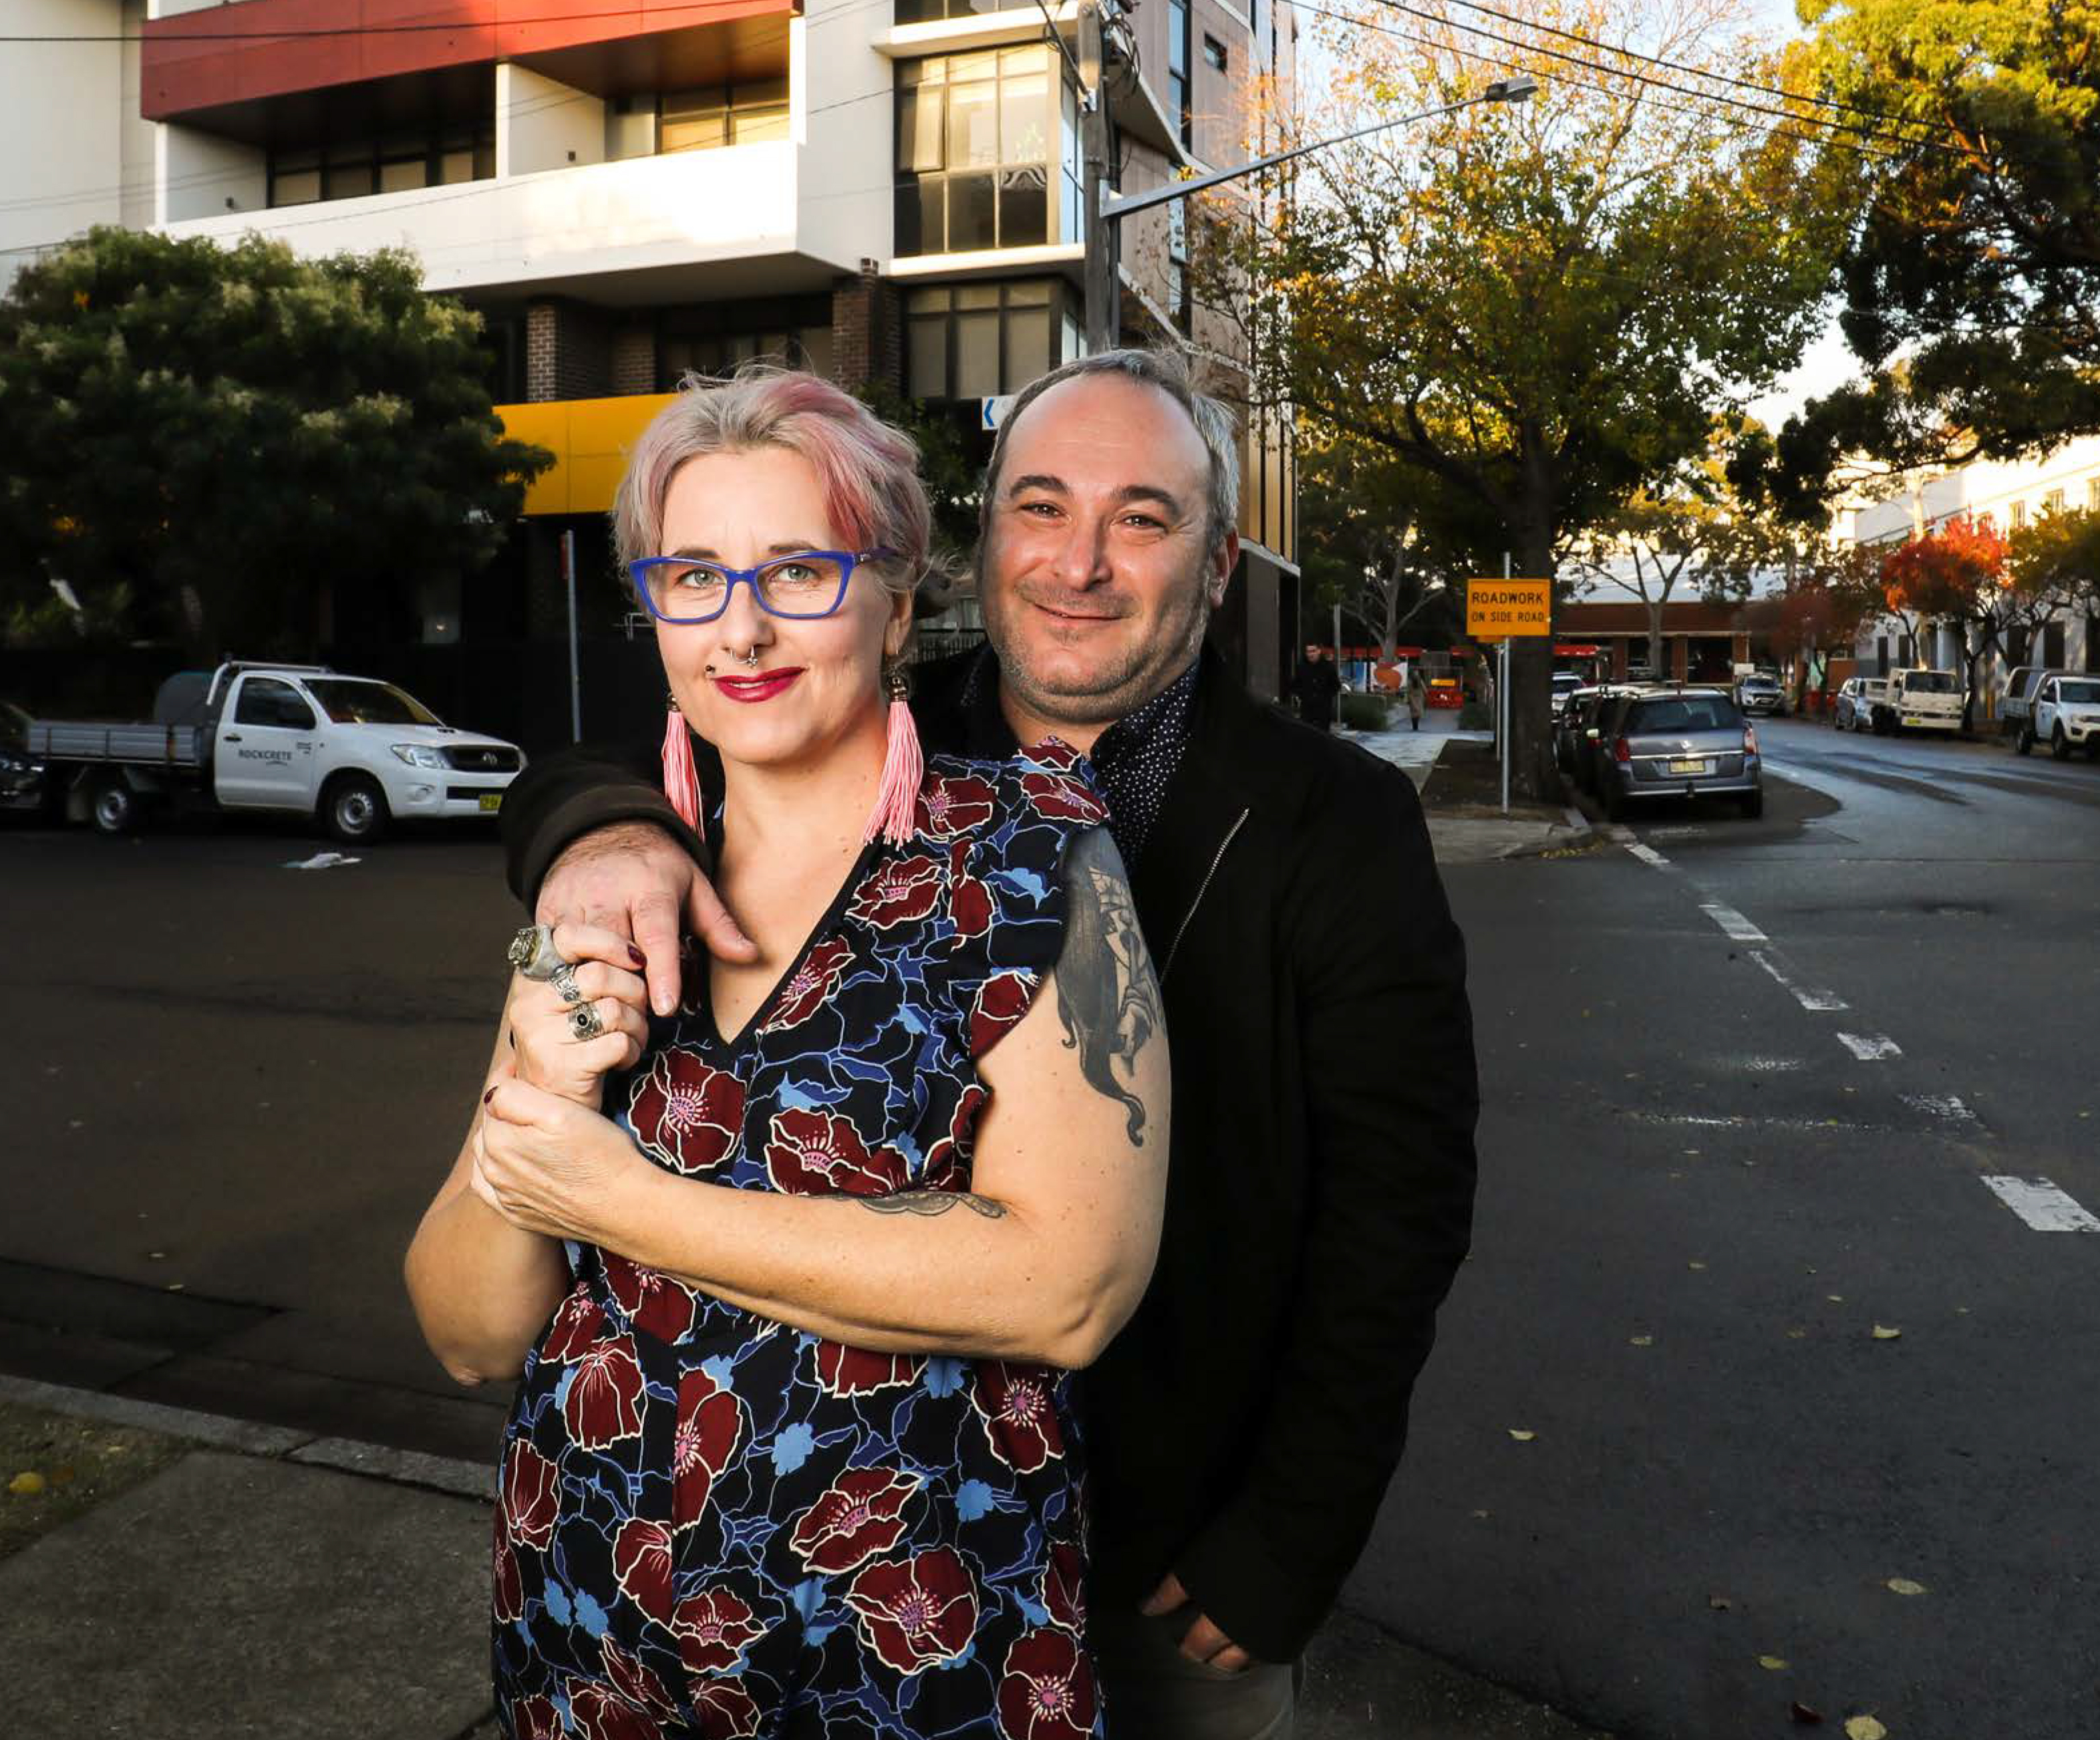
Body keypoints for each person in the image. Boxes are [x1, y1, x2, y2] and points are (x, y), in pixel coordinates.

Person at [499, 349, 1481, 1740]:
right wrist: (599, 836)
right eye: (1039, 507)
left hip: (1159, 1536)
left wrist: (1290, 1537)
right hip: (779, 1547)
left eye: (1142, 518)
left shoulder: (1338, 821)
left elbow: (1402, 1202)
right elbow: (648, 746)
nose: (1078, 562)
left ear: (1214, 565)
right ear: (975, 545)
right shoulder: (865, 710)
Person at [406, 367, 1170, 1738]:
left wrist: (620, 1204)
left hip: (908, 1659)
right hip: (591, 1639)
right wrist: (537, 1096)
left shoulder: (1030, 858)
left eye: (799, 572)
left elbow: (1066, 1284)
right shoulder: (604, 894)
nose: (741, 627)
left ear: (894, 594)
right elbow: (468, 1334)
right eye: (691, 576)